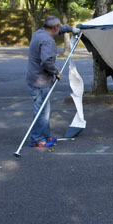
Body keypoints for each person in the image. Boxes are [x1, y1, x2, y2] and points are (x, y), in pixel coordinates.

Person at [26, 15, 79, 147]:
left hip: (34, 78)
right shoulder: (47, 41)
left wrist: (71, 28)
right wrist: (56, 72)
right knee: (41, 112)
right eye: (59, 27)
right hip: (40, 81)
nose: (60, 29)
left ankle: (44, 136)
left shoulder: (39, 33)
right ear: (55, 27)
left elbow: (58, 30)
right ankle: (37, 140)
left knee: (45, 110)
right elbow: (46, 61)